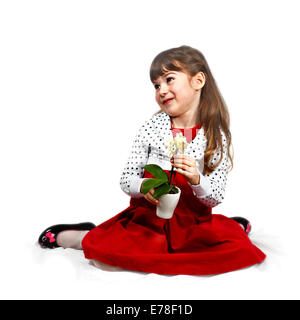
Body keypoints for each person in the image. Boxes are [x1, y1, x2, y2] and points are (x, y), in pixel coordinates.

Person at [38, 45, 266, 275]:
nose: (161, 90)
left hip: (192, 225)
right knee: (105, 259)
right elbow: (127, 179)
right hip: (148, 223)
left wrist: (197, 179)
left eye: (169, 80)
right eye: (157, 85)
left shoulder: (216, 136)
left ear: (198, 81)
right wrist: (143, 186)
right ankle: (80, 236)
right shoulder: (151, 128)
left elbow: (215, 197)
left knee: (235, 252)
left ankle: (233, 228)